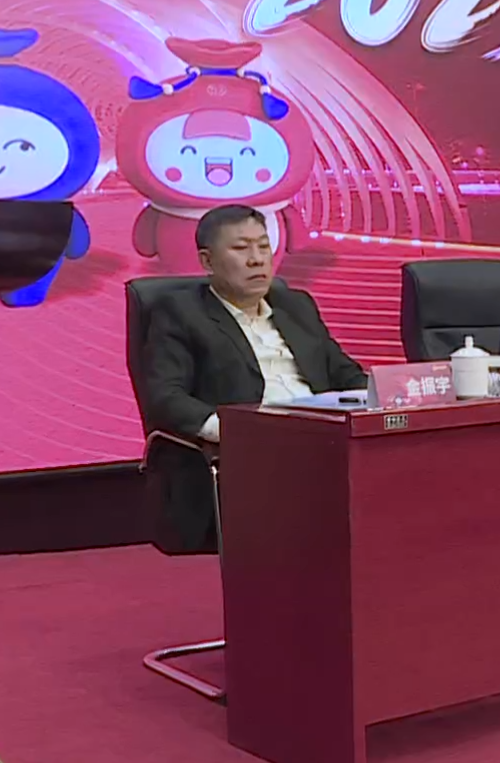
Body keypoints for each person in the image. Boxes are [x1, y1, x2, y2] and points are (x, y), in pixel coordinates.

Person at [138, 204, 366, 549]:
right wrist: (233, 431)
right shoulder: (181, 313)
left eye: (263, 246)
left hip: (323, 435)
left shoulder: (296, 305)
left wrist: (383, 397)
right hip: (253, 451)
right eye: (241, 248)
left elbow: (344, 372)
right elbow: (165, 395)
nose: (257, 259)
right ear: (207, 261)